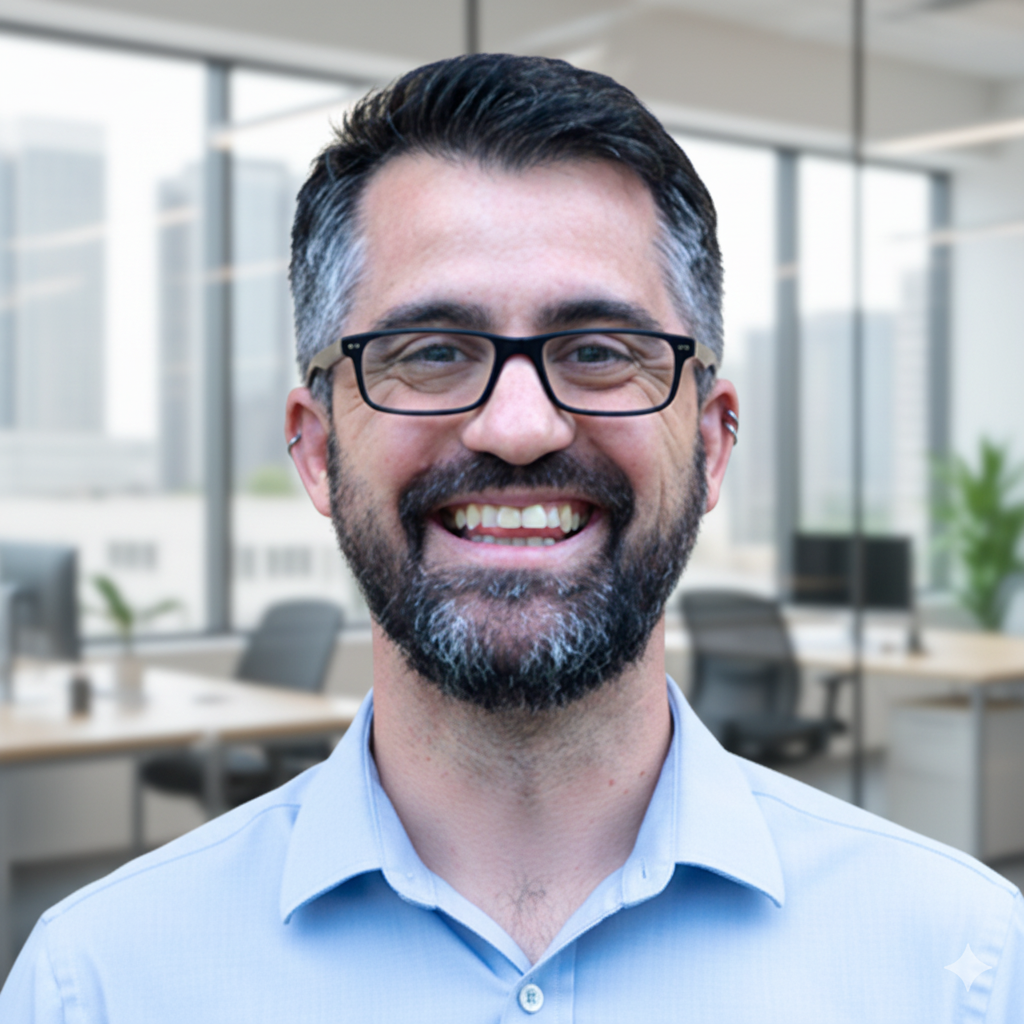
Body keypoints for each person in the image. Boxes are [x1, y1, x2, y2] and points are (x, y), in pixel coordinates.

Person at [2, 53, 1021, 1022]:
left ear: (711, 447)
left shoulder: (959, 970)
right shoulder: (99, 985)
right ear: (315, 452)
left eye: (597, 350)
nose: (521, 426)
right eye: (433, 351)